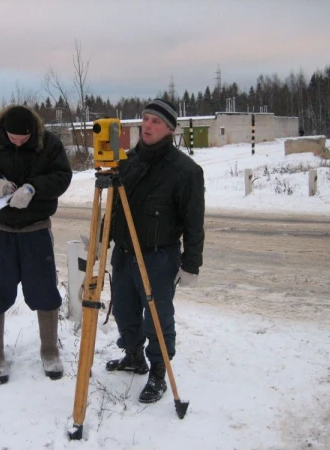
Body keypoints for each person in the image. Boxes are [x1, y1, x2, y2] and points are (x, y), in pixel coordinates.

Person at [0, 105, 72, 384]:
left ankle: (49, 350)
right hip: (0, 231)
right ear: (3, 131)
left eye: (24, 137)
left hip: (36, 231)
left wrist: (34, 188)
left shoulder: (49, 144)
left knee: (44, 291)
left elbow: (62, 176)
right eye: (13, 137)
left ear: (33, 131)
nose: (19, 141)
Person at [105, 99, 205, 403]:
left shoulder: (185, 171)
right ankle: (134, 356)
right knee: (123, 310)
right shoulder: (126, 160)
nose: (147, 125)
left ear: (170, 129)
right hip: (124, 253)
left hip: (158, 256)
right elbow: (116, 209)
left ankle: (159, 371)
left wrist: (191, 265)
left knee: (158, 319)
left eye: (156, 121)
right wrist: (102, 238)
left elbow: (194, 223)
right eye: (145, 119)